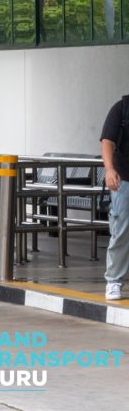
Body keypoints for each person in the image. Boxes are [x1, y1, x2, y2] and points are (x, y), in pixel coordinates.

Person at [100, 93, 129, 301]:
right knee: (122, 231)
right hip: (124, 178)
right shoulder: (122, 108)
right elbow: (107, 141)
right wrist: (109, 170)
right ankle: (114, 281)